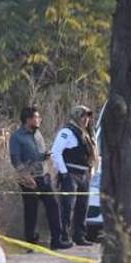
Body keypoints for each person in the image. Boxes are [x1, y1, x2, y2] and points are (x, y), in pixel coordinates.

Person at [10, 106, 68, 250]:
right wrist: (25, 176)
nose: (39, 120)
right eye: (37, 117)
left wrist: (45, 156)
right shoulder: (16, 137)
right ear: (28, 119)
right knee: (31, 212)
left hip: (44, 177)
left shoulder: (38, 134)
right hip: (28, 180)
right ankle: (31, 244)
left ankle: (57, 240)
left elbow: (38, 155)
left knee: (54, 207)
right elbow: (15, 159)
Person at [50, 104, 97, 245]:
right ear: (76, 116)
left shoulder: (88, 133)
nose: (86, 119)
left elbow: (93, 154)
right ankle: (64, 237)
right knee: (67, 207)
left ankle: (79, 236)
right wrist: (64, 173)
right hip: (71, 173)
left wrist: (91, 170)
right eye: (83, 116)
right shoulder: (67, 132)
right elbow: (55, 152)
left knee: (83, 206)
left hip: (85, 174)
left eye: (87, 117)